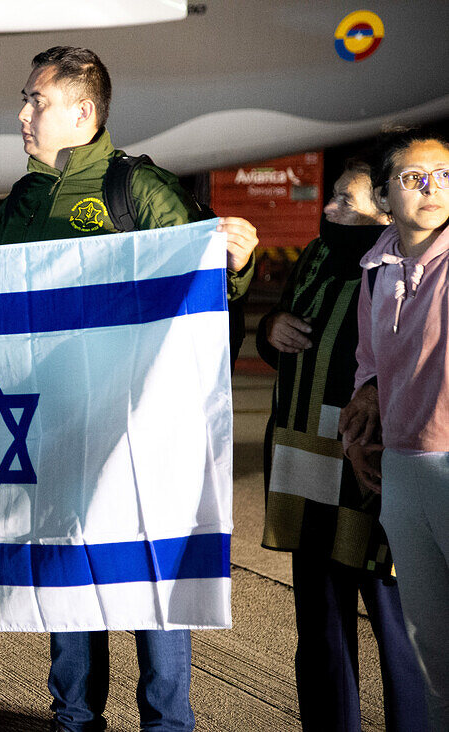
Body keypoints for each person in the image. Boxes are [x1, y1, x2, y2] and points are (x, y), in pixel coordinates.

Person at [0, 47, 257, 732]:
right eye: (23, 99)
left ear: (82, 111)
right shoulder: (19, 204)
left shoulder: (137, 188)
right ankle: (72, 718)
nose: (21, 114)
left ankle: (167, 726)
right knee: (69, 587)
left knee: (150, 586)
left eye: (35, 101)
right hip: (53, 429)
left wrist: (239, 263)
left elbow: (207, 284)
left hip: (140, 434)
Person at [257, 159, 427, 730]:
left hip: (371, 467)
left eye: (345, 202)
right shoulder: (313, 256)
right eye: (331, 198)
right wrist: (271, 327)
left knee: (399, 624)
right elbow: (285, 326)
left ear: (384, 209)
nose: (330, 209)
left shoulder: (397, 265)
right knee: (322, 625)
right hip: (307, 464)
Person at [341, 127, 449, 730]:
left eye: (444, 176)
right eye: (414, 178)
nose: (432, 188)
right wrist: (365, 412)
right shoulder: (377, 270)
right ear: (385, 196)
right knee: (433, 651)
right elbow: (371, 365)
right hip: (403, 473)